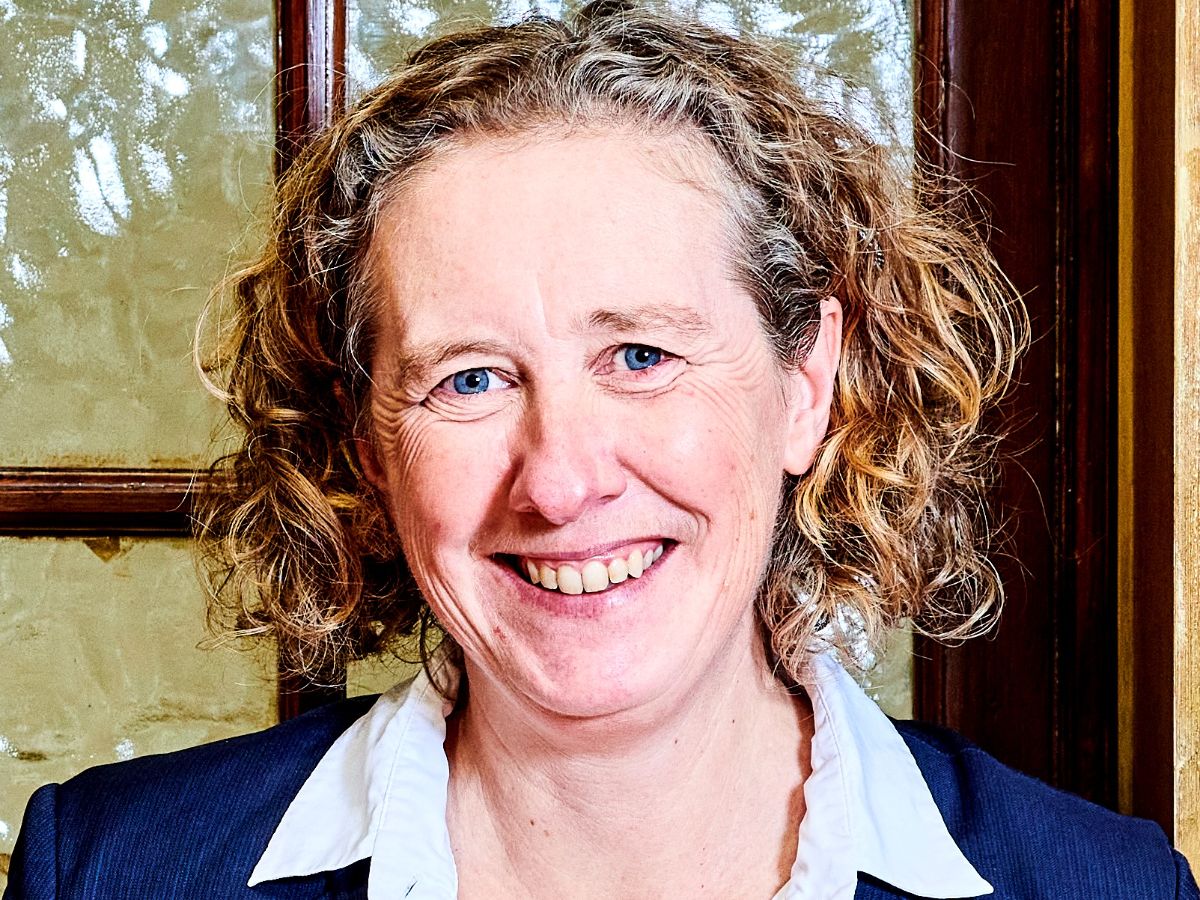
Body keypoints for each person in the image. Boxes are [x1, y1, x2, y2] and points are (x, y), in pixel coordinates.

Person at [5, 2, 1196, 898]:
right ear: (368, 443)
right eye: (469, 379)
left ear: (805, 384)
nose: (564, 480)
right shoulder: (112, 870)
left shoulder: (1108, 887)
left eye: (639, 356)